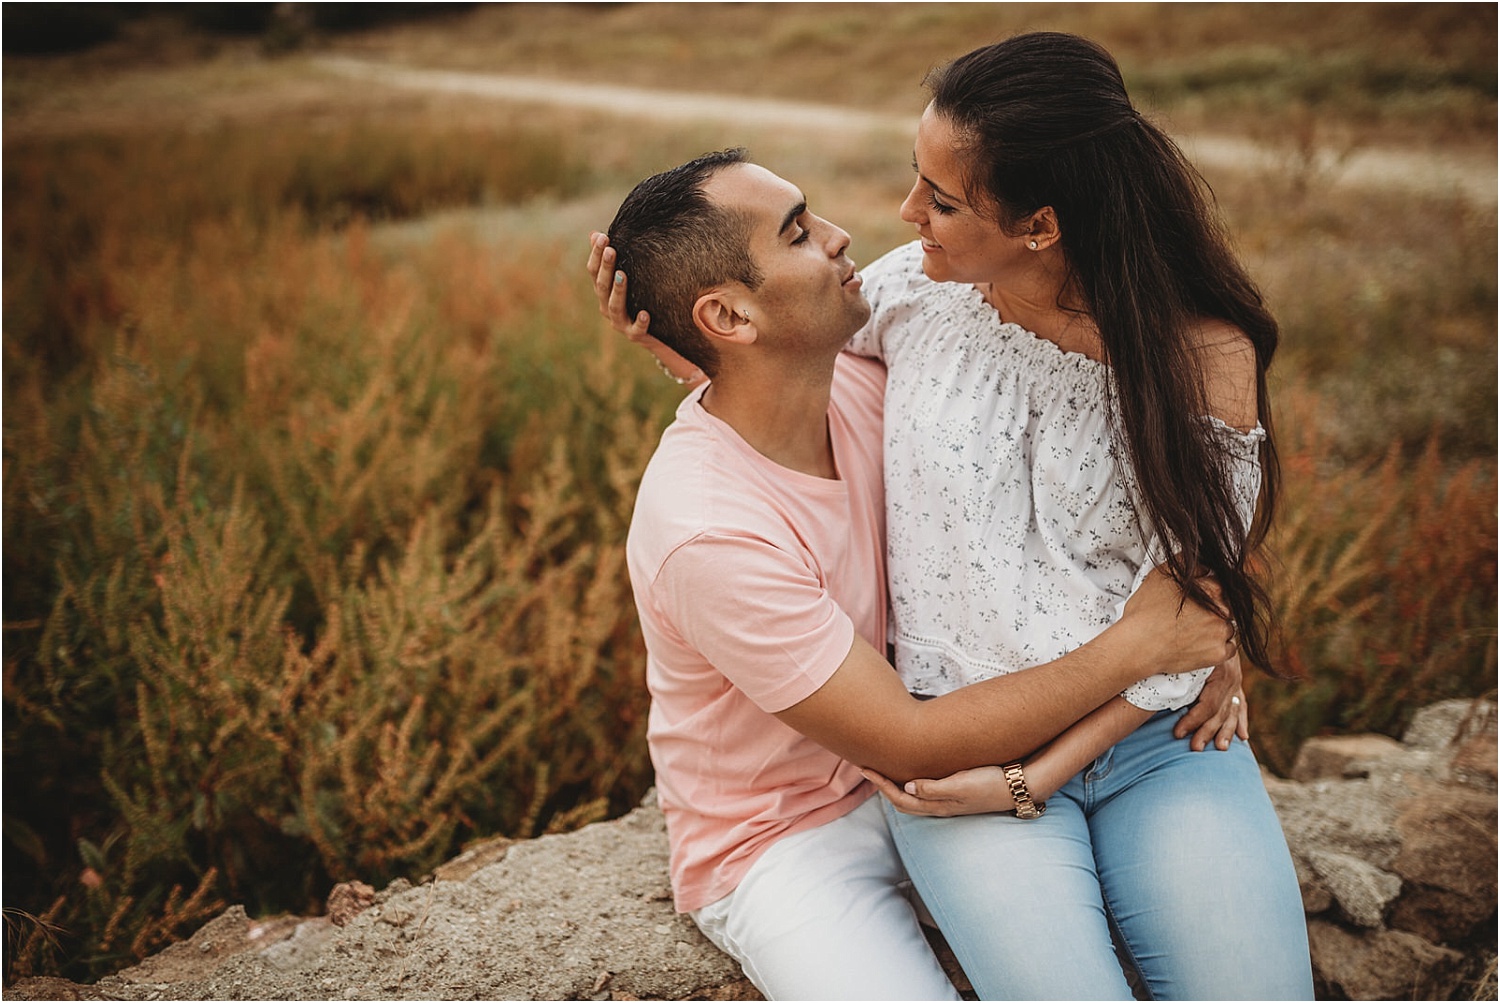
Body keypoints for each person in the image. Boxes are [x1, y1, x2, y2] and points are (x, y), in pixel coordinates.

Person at [591, 32, 1312, 1001]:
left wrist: (1056, 763)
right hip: (932, 761)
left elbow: (1195, 606)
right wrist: (691, 328)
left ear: (1042, 225)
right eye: (913, 182)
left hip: (1148, 741)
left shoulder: (1201, 354)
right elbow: (771, 365)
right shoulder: (912, 303)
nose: (895, 219)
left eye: (942, 198)